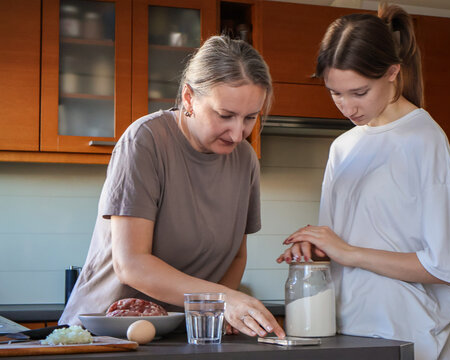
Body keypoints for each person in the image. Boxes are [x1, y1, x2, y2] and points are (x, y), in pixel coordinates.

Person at [277, 4, 450, 359]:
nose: (347, 107)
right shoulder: (343, 147)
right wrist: (317, 250)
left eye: (359, 92)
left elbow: (446, 264)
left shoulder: (423, 138)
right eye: (335, 92)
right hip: (345, 332)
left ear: (392, 73)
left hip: (405, 334)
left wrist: (348, 253)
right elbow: (344, 247)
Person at [60, 35, 285, 339]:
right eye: (225, 115)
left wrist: (217, 312)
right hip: (106, 336)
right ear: (189, 98)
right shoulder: (145, 141)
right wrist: (223, 299)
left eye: (250, 118)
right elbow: (132, 264)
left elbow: (235, 256)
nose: (237, 133)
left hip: (181, 334)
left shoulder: (245, 160)